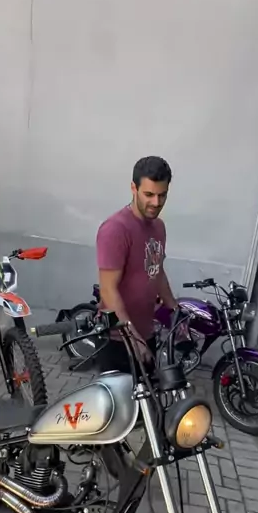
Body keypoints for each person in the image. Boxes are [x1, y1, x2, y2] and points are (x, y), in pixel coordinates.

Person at [96, 155, 177, 373]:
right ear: (134, 188)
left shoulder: (159, 227)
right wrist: (133, 338)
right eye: (149, 194)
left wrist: (175, 309)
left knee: (150, 395)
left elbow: (157, 271)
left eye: (162, 195)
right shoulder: (116, 229)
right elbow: (108, 290)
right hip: (118, 339)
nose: (156, 203)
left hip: (146, 335)